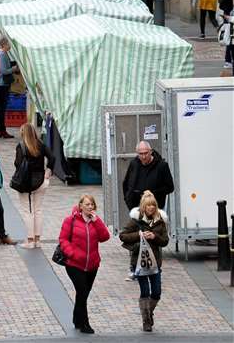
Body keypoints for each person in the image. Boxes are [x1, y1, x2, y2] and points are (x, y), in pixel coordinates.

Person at [59, 194, 111, 334]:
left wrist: (97, 221)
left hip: (92, 265)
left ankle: (77, 318)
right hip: (74, 264)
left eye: (92, 204)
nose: (90, 207)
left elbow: (105, 237)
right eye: (87, 204)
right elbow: (63, 240)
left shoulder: (95, 221)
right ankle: (84, 324)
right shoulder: (70, 220)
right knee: (82, 291)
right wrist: (72, 253)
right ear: (80, 206)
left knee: (83, 294)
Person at [119, 190, 169, 332]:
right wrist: (139, 235)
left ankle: (149, 312)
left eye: (153, 205)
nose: (151, 208)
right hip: (140, 262)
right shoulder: (136, 220)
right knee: (145, 291)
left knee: (157, 292)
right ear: (143, 207)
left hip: (155, 263)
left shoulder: (160, 221)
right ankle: (146, 320)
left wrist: (154, 237)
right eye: (148, 206)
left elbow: (165, 241)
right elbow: (123, 235)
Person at [15, 123, 55, 249]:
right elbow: (52, 157)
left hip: (26, 181)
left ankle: (30, 240)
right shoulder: (41, 144)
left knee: (27, 211)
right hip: (41, 180)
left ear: (23, 133)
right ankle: (37, 240)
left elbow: (17, 164)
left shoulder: (21, 146)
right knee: (38, 210)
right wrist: (49, 170)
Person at [123, 140, 174, 213]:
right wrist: (128, 199)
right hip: (136, 208)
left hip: (155, 208)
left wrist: (152, 193)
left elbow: (170, 187)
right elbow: (126, 183)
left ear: (151, 151)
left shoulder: (162, 166)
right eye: (141, 154)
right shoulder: (134, 164)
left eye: (146, 153)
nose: (143, 157)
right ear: (137, 153)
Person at [0, 37, 16, 138]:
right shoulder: (2, 54)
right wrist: (14, 68)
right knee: (1, 108)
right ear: (4, 44)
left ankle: (1, 129)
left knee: (0, 108)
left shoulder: (0, 53)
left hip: (0, 83)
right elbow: (3, 71)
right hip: (1, 83)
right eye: (8, 43)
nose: (10, 45)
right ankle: (2, 130)